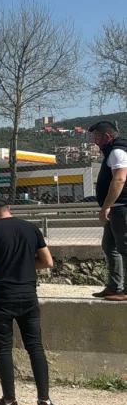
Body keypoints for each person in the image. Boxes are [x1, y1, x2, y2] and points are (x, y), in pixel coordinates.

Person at [0, 194, 56, 405]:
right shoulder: (31, 228)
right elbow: (48, 262)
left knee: (4, 349)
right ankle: (45, 402)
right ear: (8, 207)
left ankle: (9, 402)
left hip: (2, 297)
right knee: (35, 347)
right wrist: (25, 267)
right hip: (28, 296)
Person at [87, 121, 127, 301]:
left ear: (107, 137)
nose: (95, 142)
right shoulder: (112, 152)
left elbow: (119, 180)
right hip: (115, 209)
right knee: (109, 246)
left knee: (124, 248)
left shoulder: (117, 151)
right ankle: (114, 287)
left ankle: (124, 291)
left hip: (121, 208)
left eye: (96, 138)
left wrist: (106, 206)